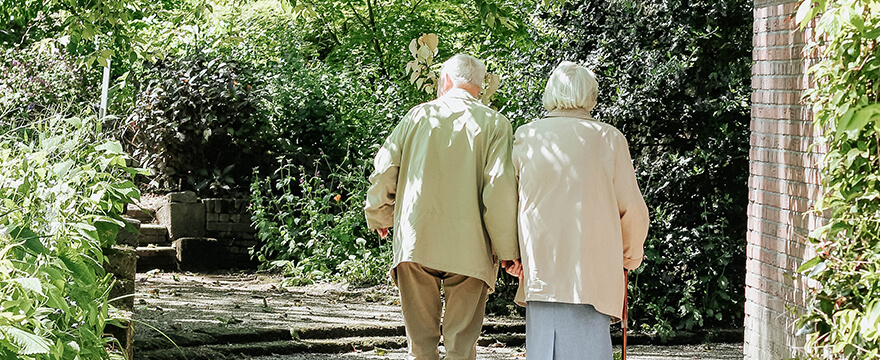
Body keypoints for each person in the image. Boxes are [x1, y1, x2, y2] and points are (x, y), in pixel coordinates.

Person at [364, 54, 520, 360]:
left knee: (420, 345)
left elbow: (384, 170)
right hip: (470, 248)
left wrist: (380, 213)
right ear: (480, 86)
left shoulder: (417, 116)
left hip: (416, 239)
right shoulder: (496, 124)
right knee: (461, 347)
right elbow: (499, 191)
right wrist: (508, 251)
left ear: (445, 81)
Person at [504, 61, 650, 359]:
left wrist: (511, 254)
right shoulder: (609, 138)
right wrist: (629, 257)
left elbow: (508, 202)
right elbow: (632, 208)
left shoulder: (527, 136)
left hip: (540, 268)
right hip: (593, 272)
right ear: (591, 96)